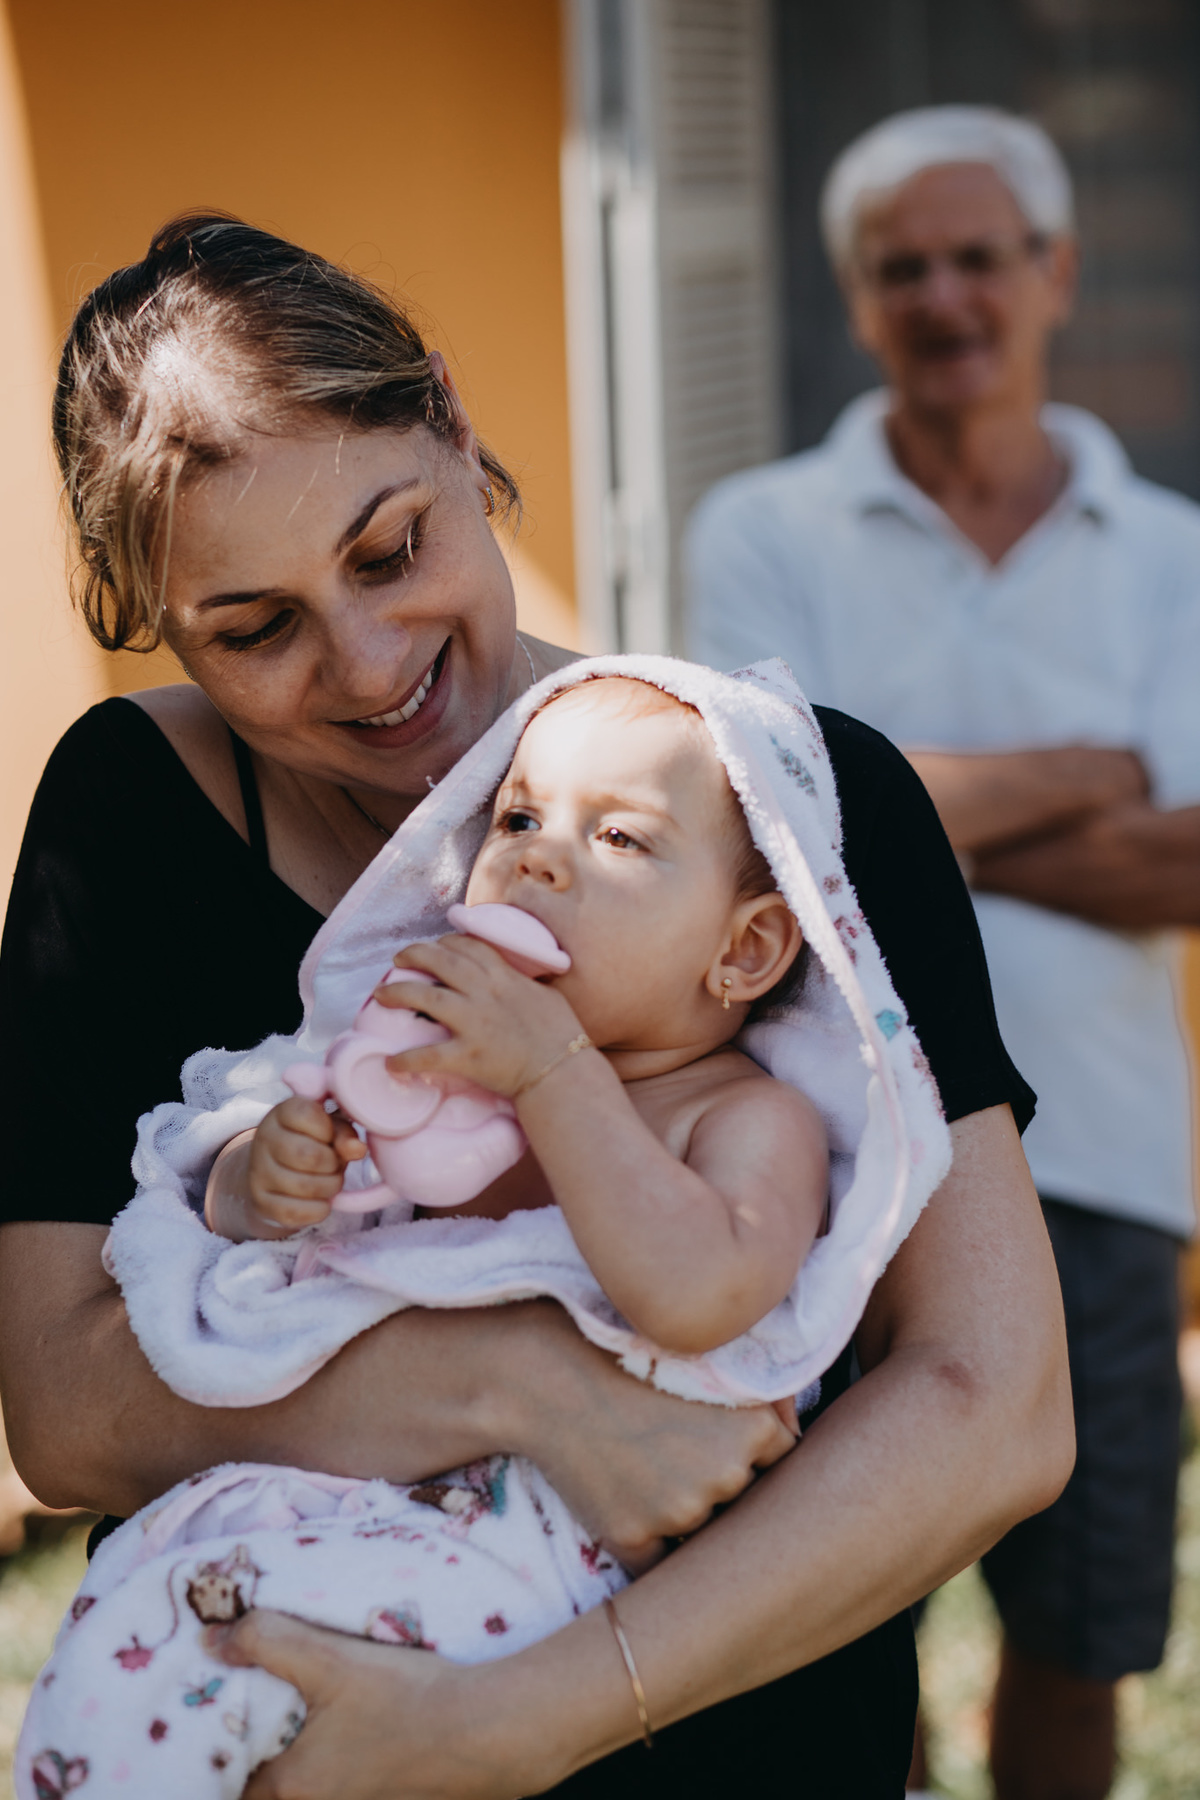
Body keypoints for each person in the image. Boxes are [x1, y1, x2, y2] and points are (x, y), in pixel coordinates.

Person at [0, 212, 1069, 1800]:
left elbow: (994, 1411)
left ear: (450, 420)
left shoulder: (795, 809)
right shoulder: (131, 825)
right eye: (255, 628)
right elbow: (69, 1408)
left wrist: (534, 1716)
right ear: (157, 621)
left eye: (390, 549)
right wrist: (528, 1388)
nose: (366, 668)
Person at [685, 105, 1200, 1800]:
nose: (945, 295)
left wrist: (886, 799)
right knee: (832, 1624)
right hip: (820, 1170)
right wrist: (1078, 773)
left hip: (1108, 1174)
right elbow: (756, 821)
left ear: (1054, 274)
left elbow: (1188, 866)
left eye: (981, 257)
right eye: (902, 268)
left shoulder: (1178, 559)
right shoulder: (762, 530)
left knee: (1081, 1629)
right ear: (857, 301)